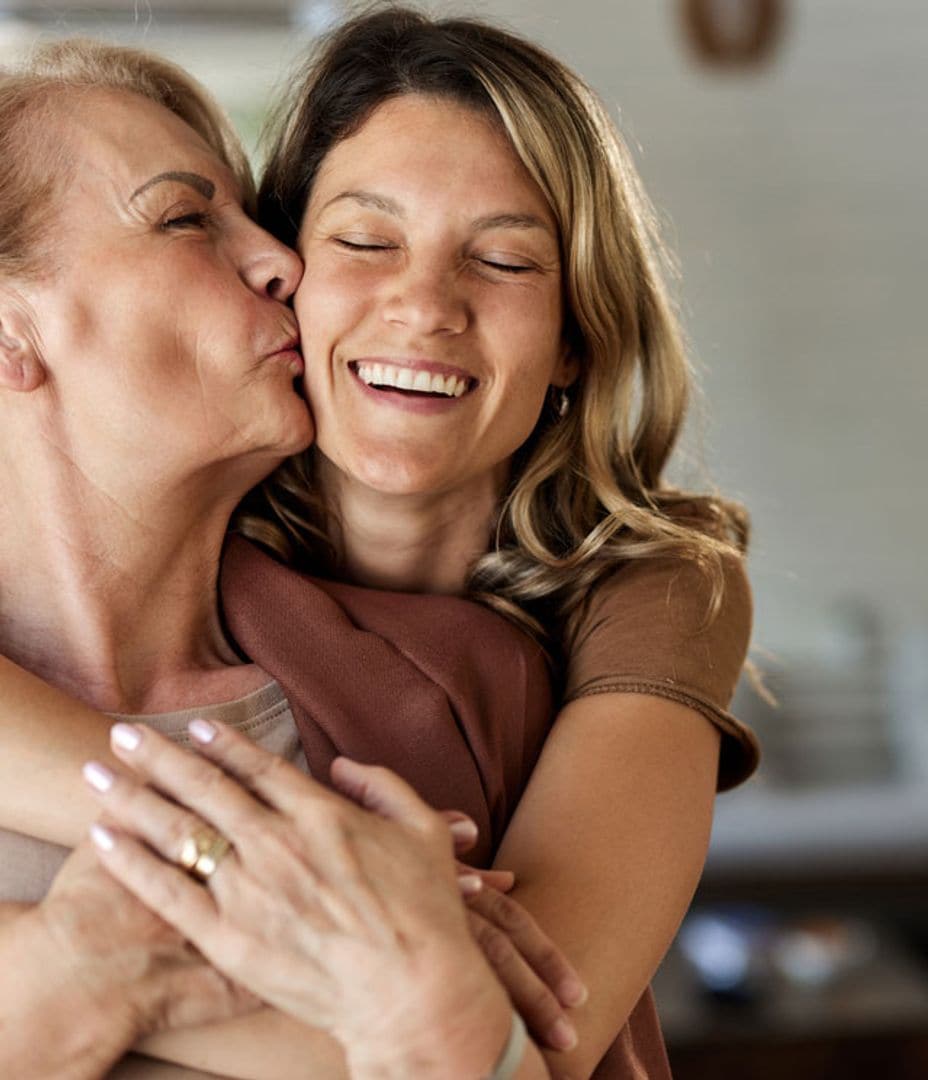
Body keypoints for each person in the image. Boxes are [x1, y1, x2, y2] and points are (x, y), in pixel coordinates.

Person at [0, 8, 759, 1077]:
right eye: (360, 241)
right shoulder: (165, 589)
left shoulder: (559, 633)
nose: (422, 303)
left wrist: (126, 970)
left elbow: (534, 1025)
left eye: (502, 258)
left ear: (576, 338)